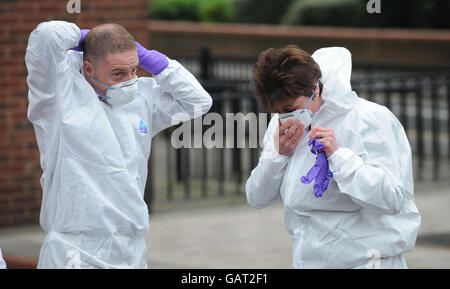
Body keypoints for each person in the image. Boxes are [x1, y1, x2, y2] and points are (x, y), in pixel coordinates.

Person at [25, 21, 212, 268]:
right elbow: (46, 37)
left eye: (134, 70)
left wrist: (154, 61)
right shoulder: (59, 95)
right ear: (89, 69)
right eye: (118, 73)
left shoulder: (141, 96)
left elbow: (198, 102)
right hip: (74, 249)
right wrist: (88, 37)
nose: (129, 80)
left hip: (130, 248)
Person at [246, 45, 421, 269]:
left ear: (315, 90)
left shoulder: (369, 118)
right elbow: (256, 197)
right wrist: (278, 156)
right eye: (278, 111)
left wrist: (339, 157)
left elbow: (393, 198)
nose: (285, 116)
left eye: (291, 107)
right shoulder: (281, 125)